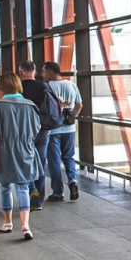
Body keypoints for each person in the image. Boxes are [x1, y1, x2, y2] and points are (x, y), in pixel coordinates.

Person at [0, 72, 43, 240]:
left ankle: (8, 223)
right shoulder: (30, 106)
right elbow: (36, 129)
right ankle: (25, 226)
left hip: (3, 150)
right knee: (23, 187)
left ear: (1, 87)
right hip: (25, 149)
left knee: (5, 187)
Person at [43, 61, 83, 201]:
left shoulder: (48, 87)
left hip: (53, 130)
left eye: (44, 72)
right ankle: (72, 181)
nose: (42, 75)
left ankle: (58, 193)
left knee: (54, 162)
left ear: (50, 72)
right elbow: (79, 104)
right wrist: (72, 117)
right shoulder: (71, 85)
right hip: (70, 129)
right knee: (69, 157)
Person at [18, 60, 53, 210]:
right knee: (41, 163)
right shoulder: (43, 87)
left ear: (20, 72)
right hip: (42, 130)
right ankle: (38, 202)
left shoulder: (17, 89)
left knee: (25, 163)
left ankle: (32, 189)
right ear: (35, 72)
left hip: (24, 131)